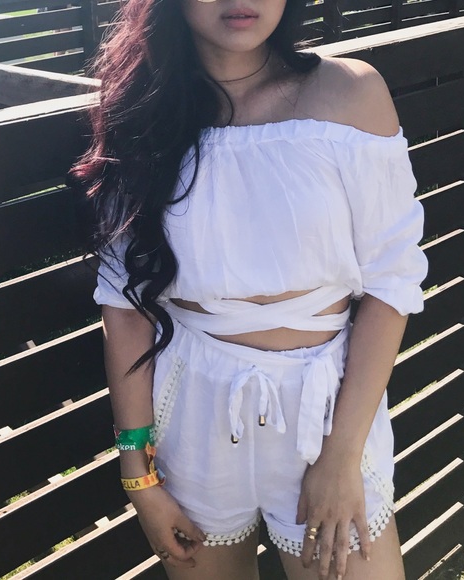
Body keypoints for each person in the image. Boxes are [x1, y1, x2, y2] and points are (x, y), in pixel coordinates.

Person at [70, 0, 428, 578]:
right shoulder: (142, 113)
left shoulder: (348, 93)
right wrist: (139, 474)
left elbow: (393, 280)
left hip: (326, 412)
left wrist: (342, 456)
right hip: (191, 411)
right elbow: (125, 304)